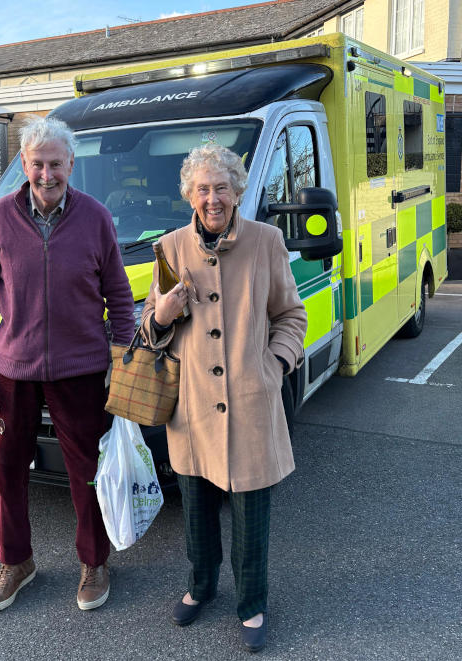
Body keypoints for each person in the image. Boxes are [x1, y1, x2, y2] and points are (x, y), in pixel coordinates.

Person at [141, 143, 307, 652]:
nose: (212, 198)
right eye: (202, 189)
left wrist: (274, 364)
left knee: (251, 518)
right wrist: (164, 313)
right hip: (191, 408)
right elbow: (150, 332)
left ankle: (252, 603)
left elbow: (291, 316)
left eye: (222, 187)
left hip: (251, 403)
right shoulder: (169, 248)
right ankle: (201, 586)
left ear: (238, 191)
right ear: (190, 195)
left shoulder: (266, 241)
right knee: (195, 513)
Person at [0, 116, 135, 613]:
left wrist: (120, 356)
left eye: (56, 164)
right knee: (8, 471)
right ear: (24, 163)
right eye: (37, 163)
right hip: (12, 369)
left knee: (87, 473)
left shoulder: (96, 217)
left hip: (81, 369)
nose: (46, 174)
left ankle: (94, 562)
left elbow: (120, 298)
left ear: (71, 165)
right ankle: (16, 563)